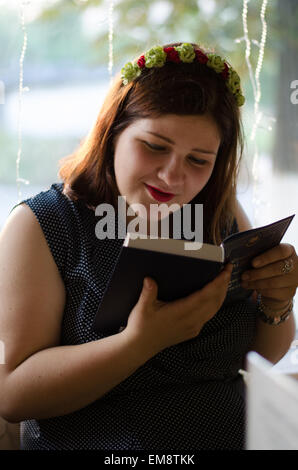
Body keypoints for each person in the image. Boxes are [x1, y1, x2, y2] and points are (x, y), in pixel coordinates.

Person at [0, 42, 297, 451]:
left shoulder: (219, 213)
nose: (172, 176)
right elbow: (14, 395)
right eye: (155, 147)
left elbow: (264, 354)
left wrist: (277, 304)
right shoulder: (44, 225)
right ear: (113, 134)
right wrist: (139, 343)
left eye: (199, 160)